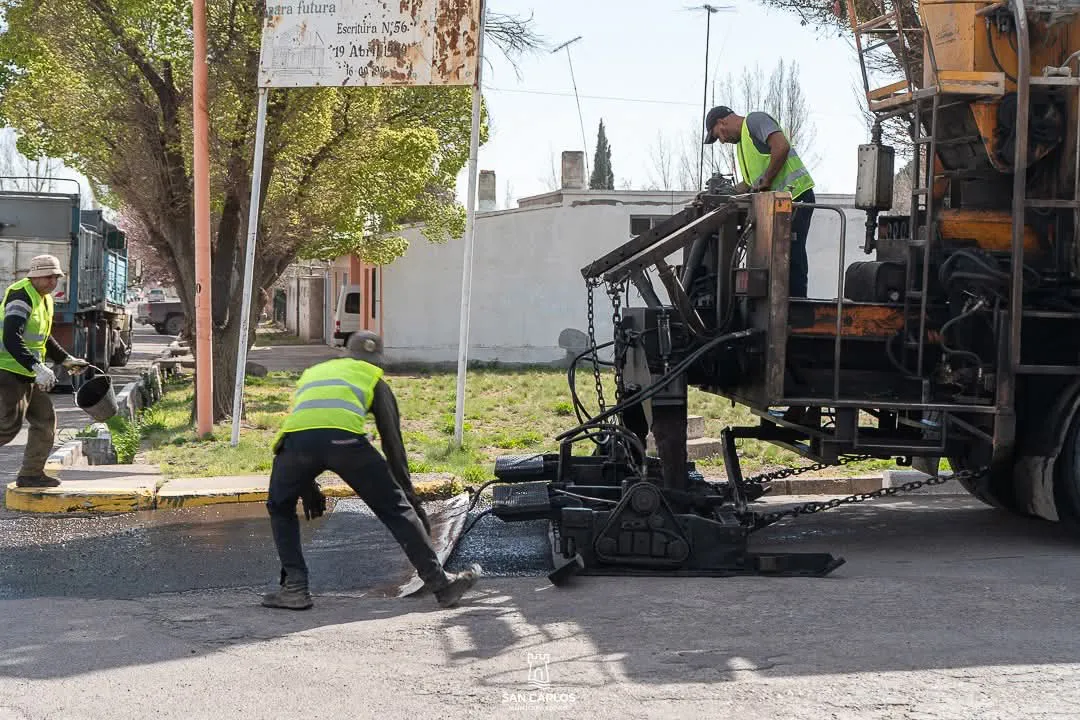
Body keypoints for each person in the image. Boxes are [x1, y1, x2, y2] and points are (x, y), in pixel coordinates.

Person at [262, 330, 482, 610]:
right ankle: (441, 585)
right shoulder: (373, 380)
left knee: (280, 507)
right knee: (395, 509)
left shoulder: (314, 373)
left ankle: (295, 588)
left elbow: (308, 422)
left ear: (346, 353)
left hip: (294, 446)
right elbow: (392, 442)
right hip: (346, 445)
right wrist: (405, 494)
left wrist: (306, 485)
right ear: (376, 361)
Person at [704, 105, 816, 298]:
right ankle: (780, 300)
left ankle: (797, 303)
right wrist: (724, 193)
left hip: (796, 197)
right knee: (773, 257)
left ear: (722, 121)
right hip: (778, 206)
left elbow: (781, 147)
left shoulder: (755, 121)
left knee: (791, 253)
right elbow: (750, 184)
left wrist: (767, 179)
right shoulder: (742, 146)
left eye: (718, 135)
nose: (721, 141)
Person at [0, 255, 89, 487]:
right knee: (8, 427)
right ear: (35, 276)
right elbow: (10, 336)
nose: (53, 281)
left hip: (28, 371)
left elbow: (43, 338)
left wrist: (65, 360)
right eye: (48, 277)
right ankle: (31, 473)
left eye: (56, 277)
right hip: (7, 369)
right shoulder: (20, 295)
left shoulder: (45, 299)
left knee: (44, 419)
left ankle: (31, 474)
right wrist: (37, 366)